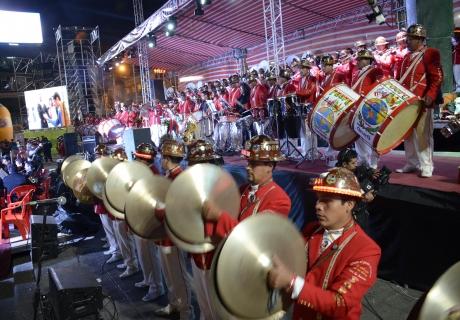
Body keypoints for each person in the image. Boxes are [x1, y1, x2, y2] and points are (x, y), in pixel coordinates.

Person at [267, 167, 381, 320]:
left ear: (349, 204)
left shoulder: (366, 250)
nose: (318, 206)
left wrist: (292, 282)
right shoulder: (312, 230)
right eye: (318, 198)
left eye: (327, 200)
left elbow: (340, 304)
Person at [202, 135, 291, 239]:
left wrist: (219, 216)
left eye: (254, 164)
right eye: (248, 162)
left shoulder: (280, 200)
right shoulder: (242, 189)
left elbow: (252, 237)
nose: (248, 167)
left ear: (270, 166)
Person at [395, 24, 443, 178]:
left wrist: (431, 95)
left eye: (410, 38)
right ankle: (412, 162)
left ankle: (426, 165)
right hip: (406, 103)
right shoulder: (405, 58)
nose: (407, 41)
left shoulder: (430, 53)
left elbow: (437, 77)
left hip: (422, 101)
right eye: (407, 38)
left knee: (423, 134)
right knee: (408, 134)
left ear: (419, 39)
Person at [154, 139, 194, 319]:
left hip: (173, 235)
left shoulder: (179, 178)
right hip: (164, 233)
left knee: (178, 274)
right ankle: (174, 304)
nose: (161, 160)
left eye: (163, 157)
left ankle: (186, 311)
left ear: (167, 158)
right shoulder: (170, 176)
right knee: (168, 273)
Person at [131, 143, 165, 302]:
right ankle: (148, 279)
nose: (135, 159)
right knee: (143, 254)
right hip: (140, 218)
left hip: (148, 220)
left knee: (150, 255)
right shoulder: (146, 171)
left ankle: (156, 287)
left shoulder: (152, 173)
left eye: (138, 157)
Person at [351, 49, 383, 169]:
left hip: (371, 107)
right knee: (358, 135)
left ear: (368, 60)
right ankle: (363, 160)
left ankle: (373, 162)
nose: (358, 62)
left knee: (371, 135)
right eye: (358, 59)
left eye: (360, 59)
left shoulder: (375, 71)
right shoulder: (356, 74)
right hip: (357, 107)